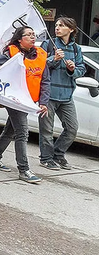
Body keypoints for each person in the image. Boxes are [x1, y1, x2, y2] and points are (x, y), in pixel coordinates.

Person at [0, 26, 50, 184]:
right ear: (19, 39)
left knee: (10, 130)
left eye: (33, 34)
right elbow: (0, 74)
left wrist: (43, 102)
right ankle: (24, 170)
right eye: (28, 35)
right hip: (15, 99)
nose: (32, 37)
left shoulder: (41, 55)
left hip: (29, 100)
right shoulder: (10, 53)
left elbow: (45, 81)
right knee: (22, 132)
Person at [39, 17, 85, 170]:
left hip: (67, 95)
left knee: (72, 128)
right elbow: (38, 65)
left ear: (71, 30)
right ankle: (46, 158)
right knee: (47, 130)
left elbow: (82, 69)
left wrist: (72, 69)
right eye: (57, 25)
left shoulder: (76, 48)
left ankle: (58, 155)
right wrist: (54, 58)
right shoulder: (48, 44)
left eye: (62, 26)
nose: (57, 28)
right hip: (49, 94)